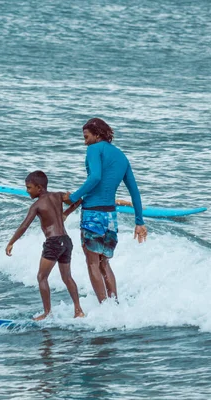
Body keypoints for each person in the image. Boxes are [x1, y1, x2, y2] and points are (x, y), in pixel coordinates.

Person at [63, 118, 147, 303]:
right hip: (110, 216)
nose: (84, 141)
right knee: (104, 263)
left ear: (97, 134)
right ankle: (113, 306)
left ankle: (104, 308)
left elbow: (95, 177)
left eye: (86, 137)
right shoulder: (121, 156)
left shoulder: (94, 149)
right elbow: (135, 191)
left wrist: (73, 197)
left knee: (92, 263)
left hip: (93, 214)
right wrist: (139, 221)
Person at [6, 171, 85, 321]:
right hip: (66, 241)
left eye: (29, 187)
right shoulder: (58, 195)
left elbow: (24, 226)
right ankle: (78, 311)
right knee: (67, 277)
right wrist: (66, 213)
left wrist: (11, 242)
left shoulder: (37, 205)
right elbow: (78, 199)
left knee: (42, 277)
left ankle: (47, 313)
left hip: (53, 242)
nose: (27, 190)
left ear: (39, 188)